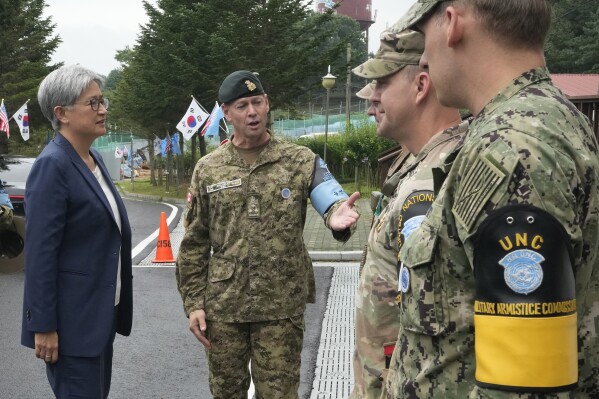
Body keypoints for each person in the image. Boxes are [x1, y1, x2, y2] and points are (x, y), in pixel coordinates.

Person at [382, 1, 599, 397]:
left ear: (450, 24)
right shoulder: (539, 121)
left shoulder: (512, 146)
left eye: (423, 38)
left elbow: (524, 383)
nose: (426, 59)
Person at [176, 70, 361, 399]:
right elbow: (194, 245)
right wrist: (194, 305)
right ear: (226, 112)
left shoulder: (300, 161)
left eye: (257, 102)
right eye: (243, 105)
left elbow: (333, 201)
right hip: (224, 309)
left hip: (280, 308)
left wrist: (338, 219)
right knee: (226, 393)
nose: (252, 112)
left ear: (267, 104)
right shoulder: (208, 168)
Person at [349, 28, 467, 399]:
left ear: (420, 86)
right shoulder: (420, 165)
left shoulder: (435, 179)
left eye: (381, 85)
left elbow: (433, 320)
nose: (371, 101)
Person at [21, 64, 133, 398]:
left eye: (103, 100)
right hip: (71, 328)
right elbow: (40, 254)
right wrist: (43, 326)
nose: (103, 110)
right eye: (93, 103)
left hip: (98, 318)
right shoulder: (52, 165)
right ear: (62, 114)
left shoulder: (92, 158)